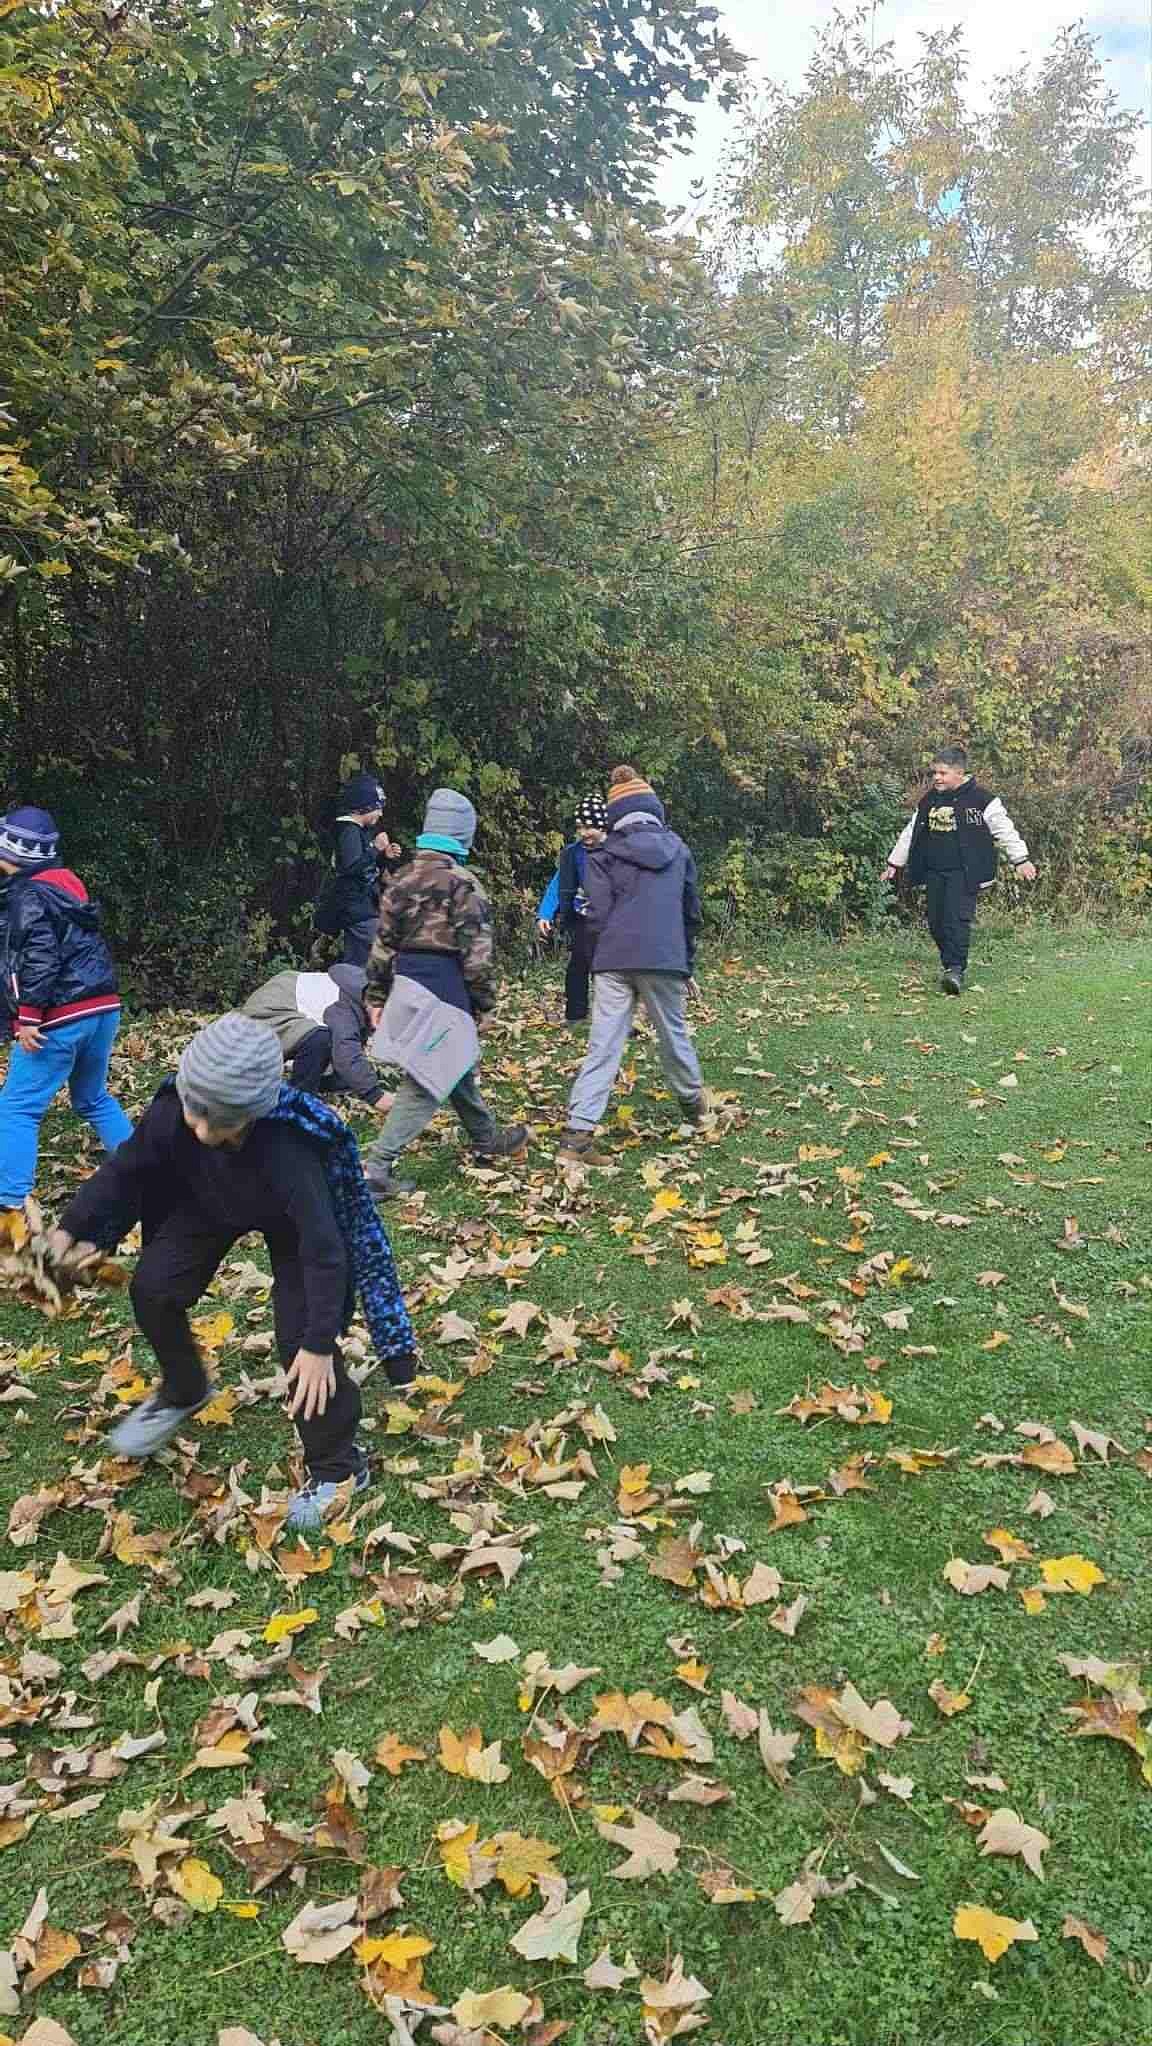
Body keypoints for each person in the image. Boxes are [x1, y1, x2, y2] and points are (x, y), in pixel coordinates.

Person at [46, 1013, 416, 1531]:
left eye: (216, 1120)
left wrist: (317, 1342)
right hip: (209, 1201)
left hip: (292, 1227)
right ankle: (184, 1387)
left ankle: (338, 1466)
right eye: (194, 1111)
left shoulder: (289, 1147)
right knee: (153, 1288)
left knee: (301, 1343)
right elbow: (124, 1172)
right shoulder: (176, 1109)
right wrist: (70, 1229)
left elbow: (325, 1249)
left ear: (251, 1114)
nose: (199, 1128)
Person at [361, 788, 527, 1200]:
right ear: (462, 835)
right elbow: (477, 953)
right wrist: (484, 1004)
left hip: (407, 985)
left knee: (454, 1063)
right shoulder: (463, 884)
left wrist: (376, 996)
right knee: (425, 1080)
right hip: (444, 989)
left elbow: (382, 944)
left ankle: (486, 1137)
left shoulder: (400, 879)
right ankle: (376, 1168)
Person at [559, 768, 704, 1157]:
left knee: (603, 1044)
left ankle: (577, 1135)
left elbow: (597, 915)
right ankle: (694, 1108)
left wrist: (602, 957)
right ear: (654, 810)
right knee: (672, 1034)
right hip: (664, 958)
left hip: (612, 960)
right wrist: (686, 963)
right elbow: (691, 914)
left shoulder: (602, 855)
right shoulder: (678, 850)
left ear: (615, 817)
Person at [0, 806, 132, 1215]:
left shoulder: (28, 896)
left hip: (60, 1016)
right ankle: (144, 1173)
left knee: (18, 1107)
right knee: (92, 1097)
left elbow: (39, 958)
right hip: (103, 1008)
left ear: (14, 853)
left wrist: (28, 1016)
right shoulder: (65, 884)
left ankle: (8, 1204)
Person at [885, 745, 1037, 993]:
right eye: (934, 772)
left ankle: (955, 969)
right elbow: (911, 831)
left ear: (959, 773)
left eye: (942, 773)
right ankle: (950, 965)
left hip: (965, 873)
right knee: (936, 922)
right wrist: (894, 863)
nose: (936, 777)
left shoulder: (982, 800)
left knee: (956, 920)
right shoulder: (929, 799)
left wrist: (1020, 859)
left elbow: (1005, 830)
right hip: (934, 871)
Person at [241, 962, 392, 1110]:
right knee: (322, 1040)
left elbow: (352, 1049)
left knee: (345, 1077)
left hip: (288, 1006)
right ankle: (298, 1103)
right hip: (270, 1012)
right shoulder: (343, 1007)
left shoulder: (360, 994)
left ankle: (295, 1089)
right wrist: (375, 1096)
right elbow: (345, 1052)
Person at [536, 794, 608, 1025]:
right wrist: (545, 913)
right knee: (578, 966)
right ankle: (575, 1015)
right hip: (582, 919)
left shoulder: (617, 851)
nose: (584, 833)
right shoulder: (573, 853)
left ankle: (612, 1018)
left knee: (608, 971)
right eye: (579, 827)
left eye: (589, 827)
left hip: (610, 920)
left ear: (602, 826)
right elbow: (557, 884)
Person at [315, 773, 401, 967]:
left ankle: (351, 982)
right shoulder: (348, 830)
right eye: (378, 808)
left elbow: (367, 867)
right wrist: (375, 848)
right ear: (365, 807)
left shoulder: (361, 831)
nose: (381, 814)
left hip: (363, 906)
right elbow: (351, 867)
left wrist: (384, 856)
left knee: (358, 959)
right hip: (355, 908)